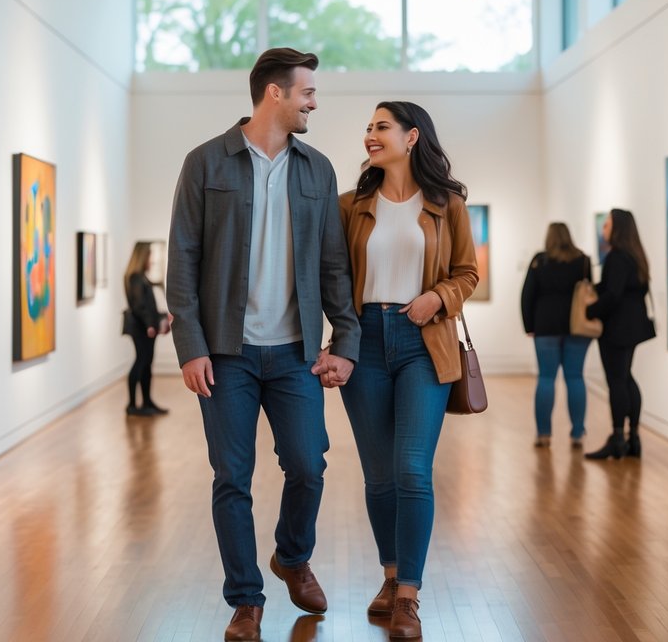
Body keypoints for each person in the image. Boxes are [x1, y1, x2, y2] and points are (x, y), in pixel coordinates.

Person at [166, 48, 361, 642]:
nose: (314, 102)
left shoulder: (317, 170)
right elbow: (182, 261)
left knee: (307, 464)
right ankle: (245, 600)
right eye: (307, 92)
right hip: (226, 354)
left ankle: (292, 556)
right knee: (232, 475)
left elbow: (333, 264)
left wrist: (345, 339)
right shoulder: (204, 163)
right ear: (274, 93)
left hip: (296, 353)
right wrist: (191, 345)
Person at [332, 101, 478, 639]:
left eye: (382, 127)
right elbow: (333, 277)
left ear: (413, 136)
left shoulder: (448, 204)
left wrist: (437, 299)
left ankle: (409, 597)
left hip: (425, 344)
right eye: (368, 127)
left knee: (413, 469)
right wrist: (336, 341)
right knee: (379, 475)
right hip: (364, 342)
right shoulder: (350, 205)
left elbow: (467, 273)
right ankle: (390, 578)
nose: (371, 135)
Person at [585, 208, 655, 460]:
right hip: (634, 326)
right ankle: (633, 438)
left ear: (618, 228)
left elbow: (613, 295)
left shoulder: (616, 257)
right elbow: (622, 289)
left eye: (607, 225)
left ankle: (617, 440)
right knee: (625, 378)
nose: (603, 229)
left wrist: (589, 309)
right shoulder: (636, 255)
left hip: (617, 329)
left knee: (617, 381)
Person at [520, 222, 593, 449]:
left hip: (546, 327)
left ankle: (543, 434)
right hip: (577, 328)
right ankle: (577, 433)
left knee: (546, 378)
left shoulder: (540, 260)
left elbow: (527, 296)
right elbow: (589, 293)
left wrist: (529, 325)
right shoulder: (583, 261)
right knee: (575, 377)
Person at [123, 241, 170, 416]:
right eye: (150, 256)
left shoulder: (141, 277)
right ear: (142, 256)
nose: (151, 260)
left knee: (146, 363)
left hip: (145, 327)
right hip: (140, 328)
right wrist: (150, 325)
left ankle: (147, 402)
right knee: (141, 362)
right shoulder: (136, 277)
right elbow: (140, 306)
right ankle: (132, 405)